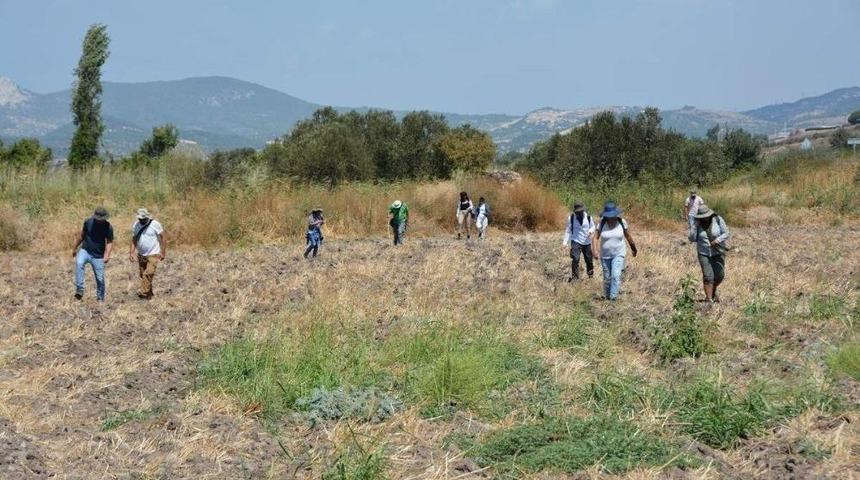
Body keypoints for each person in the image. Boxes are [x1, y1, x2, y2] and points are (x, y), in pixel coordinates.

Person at [592, 202, 638, 300]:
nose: (611, 217)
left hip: (619, 253)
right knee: (607, 278)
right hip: (605, 255)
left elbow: (628, 236)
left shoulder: (622, 222)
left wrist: (633, 247)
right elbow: (595, 238)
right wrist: (595, 250)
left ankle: (613, 298)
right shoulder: (601, 223)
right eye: (609, 216)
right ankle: (607, 297)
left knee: (615, 275)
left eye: (613, 215)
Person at [688, 204, 730, 303]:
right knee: (708, 276)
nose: (704, 219)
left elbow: (726, 233)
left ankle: (713, 290)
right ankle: (709, 299)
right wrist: (694, 226)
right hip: (703, 253)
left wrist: (718, 240)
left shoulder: (718, 219)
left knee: (720, 275)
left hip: (717, 252)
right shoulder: (697, 224)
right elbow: (692, 239)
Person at [72, 207, 114, 302]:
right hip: (85, 250)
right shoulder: (88, 222)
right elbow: (81, 236)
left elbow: (109, 241)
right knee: (79, 263)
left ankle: (100, 298)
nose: (98, 221)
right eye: (97, 219)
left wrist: (107, 254)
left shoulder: (108, 227)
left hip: (98, 255)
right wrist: (74, 248)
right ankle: (80, 290)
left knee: (100, 279)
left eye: (101, 219)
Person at [128, 208, 166, 299]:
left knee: (148, 273)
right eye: (140, 219)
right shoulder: (136, 225)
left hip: (153, 253)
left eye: (143, 219)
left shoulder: (155, 224)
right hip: (141, 254)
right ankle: (148, 295)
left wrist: (163, 252)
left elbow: (163, 238)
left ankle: (143, 292)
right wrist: (131, 252)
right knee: (143, 275)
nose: (141, 220)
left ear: (147, 217)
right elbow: (134, 239)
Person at [562, 201, 595, 281]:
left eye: (580, 212)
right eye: (577, 212)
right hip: (575, 240)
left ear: (583, 210)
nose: (578, 213)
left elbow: (593, 226)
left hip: (586, 242)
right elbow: (568, 230)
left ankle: (590, 275)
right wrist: (565, 243)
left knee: (589, 260)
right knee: (575, 259)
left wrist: (590, 231)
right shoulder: (571, 218)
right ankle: (575, 278)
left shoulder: (588, 217)